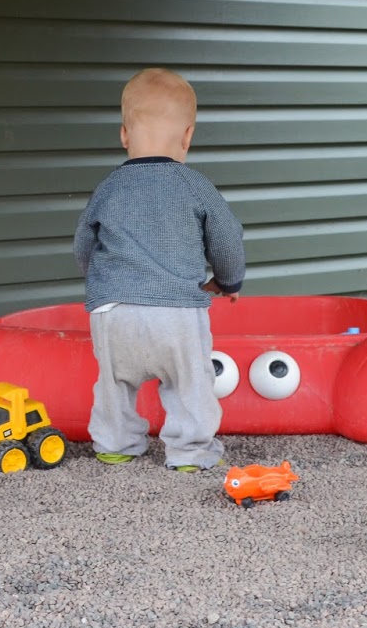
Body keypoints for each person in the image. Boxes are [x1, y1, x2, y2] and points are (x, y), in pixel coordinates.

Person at [72, 68, 246, 471]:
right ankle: (190, 453)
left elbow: (83, 243)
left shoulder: (108, 188)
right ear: (187, 136)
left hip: (113, 313)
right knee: (190, 384)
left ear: (124, 135)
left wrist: (102, 282)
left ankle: (115, 444)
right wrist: (228, 280)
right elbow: (226, 238)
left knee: (113, 386)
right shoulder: (195, 185)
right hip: (177, 317)